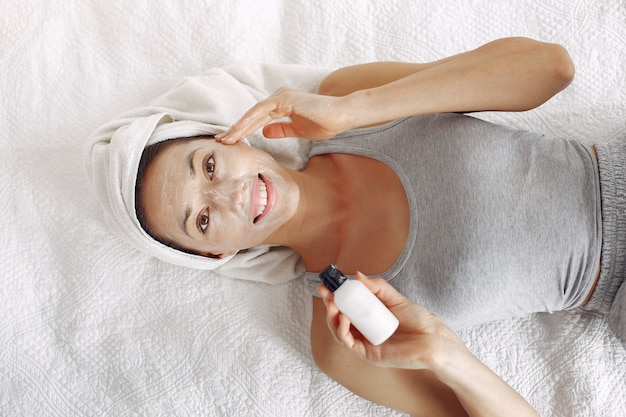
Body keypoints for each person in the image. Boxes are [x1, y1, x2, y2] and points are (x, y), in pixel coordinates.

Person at [88, 37, 626, 417]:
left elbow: (550, 68)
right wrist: (446, 354)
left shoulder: (350, 104)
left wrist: (354, 109)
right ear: (215, 256)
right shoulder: (343, 342)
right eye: (202, 220)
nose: (229, 194)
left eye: (207, 165)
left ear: (231, 138)